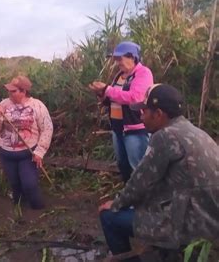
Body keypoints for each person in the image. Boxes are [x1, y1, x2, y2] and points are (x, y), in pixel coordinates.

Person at [98, 84, 219, 261]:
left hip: (188, 226)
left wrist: (116, 204)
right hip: (211, 220)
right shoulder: (195, 132)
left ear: (159, 114)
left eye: (145, 111)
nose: (141, 116)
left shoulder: (165, 136)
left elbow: (139, 183)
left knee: (109, 217)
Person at [89, 41, 153, 182]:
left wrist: (107, 89)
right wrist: (102, 94)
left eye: (120, 58)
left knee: (138, 168)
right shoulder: (119, 75)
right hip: (118, 129)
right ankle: (128, 197)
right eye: (116, 59)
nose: (117, 62)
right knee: (123, 165)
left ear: (132, 57)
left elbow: (135, 97)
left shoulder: (143, 73)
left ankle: (142, 201)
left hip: (135, 130)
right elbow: (114, 98)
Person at [0, 75, 53, 209]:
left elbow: (47, 129)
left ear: (23, 92)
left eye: (13, 91)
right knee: (15, 184)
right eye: (9, 90)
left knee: (29, 184)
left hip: (28, 153)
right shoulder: (3, 105)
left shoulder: (37, 106)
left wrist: (40, 151)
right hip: (6, 152)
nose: (9, 94)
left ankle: (38, 210)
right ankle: (19, 211)